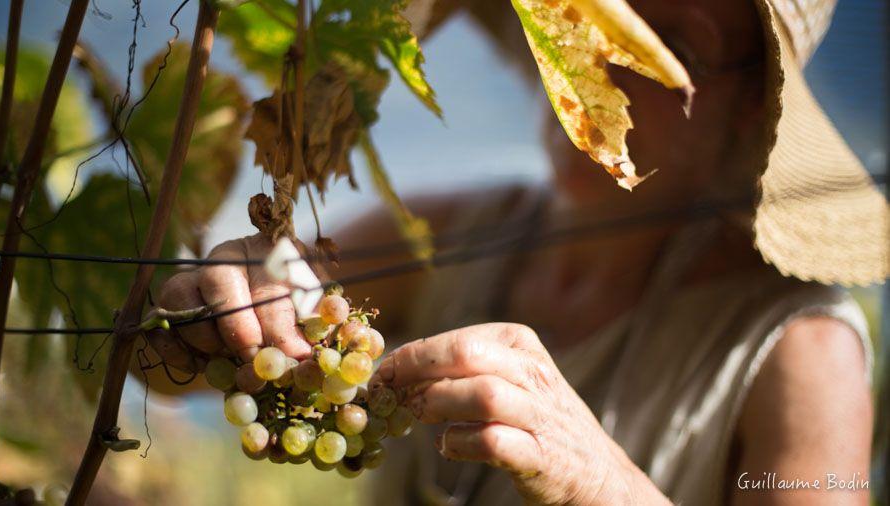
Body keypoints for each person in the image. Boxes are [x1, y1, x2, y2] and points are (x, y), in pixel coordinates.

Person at [146, 0, 888, 504]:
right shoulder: (442, 234)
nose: (606, 65)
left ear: (750, 104)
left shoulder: (803, 354)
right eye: (601, 17)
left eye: (672, 49)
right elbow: (164, 372)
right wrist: (203, 308)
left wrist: (600, 483)